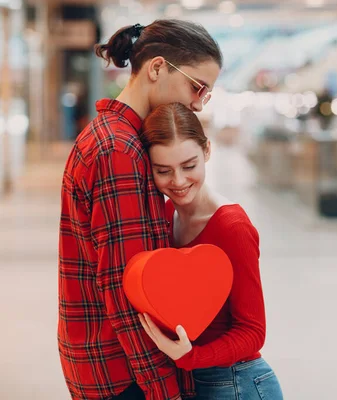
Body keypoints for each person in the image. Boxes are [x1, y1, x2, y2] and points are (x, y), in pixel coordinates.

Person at [58, 19, 222, 400]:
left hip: (104, 360)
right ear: (157, 68)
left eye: (206, 94)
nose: (198, 103)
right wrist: (165, 390)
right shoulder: (119, 150)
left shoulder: (114, 136)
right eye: (197, 87)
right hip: (122, 371)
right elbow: (127, 286)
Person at [137, 102, 284, 400]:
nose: (178, 182)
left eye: (189, 166)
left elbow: (254, 331)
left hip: (238, 383)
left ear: (207, 152)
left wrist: (190, 357)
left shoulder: (232, 227)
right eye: (163, 171)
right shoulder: (163, 215)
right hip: (198, 381)